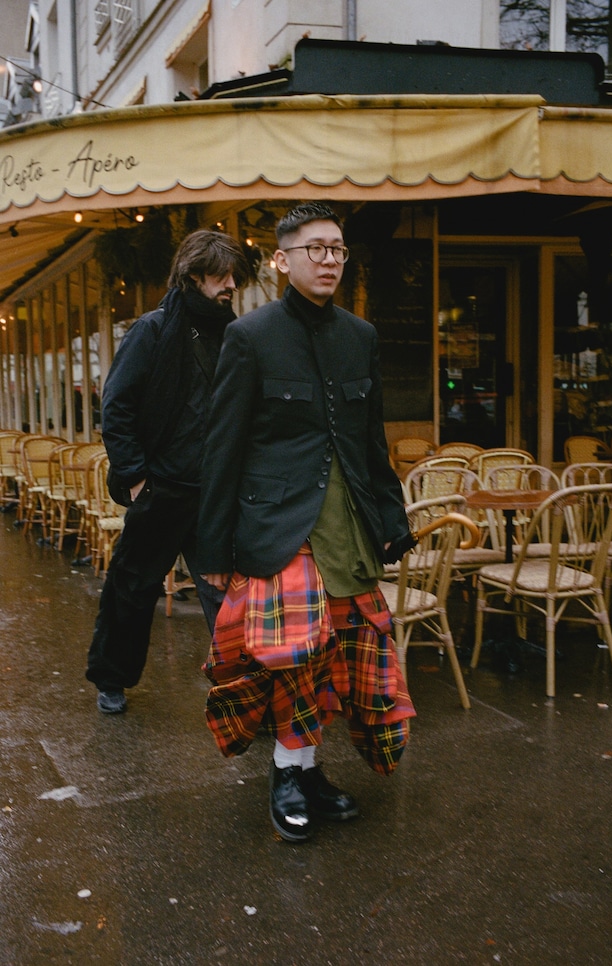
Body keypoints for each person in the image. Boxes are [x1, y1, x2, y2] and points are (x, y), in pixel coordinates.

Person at [197, 203, 416, 842]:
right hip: (279, 531)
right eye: (314, 248)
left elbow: (369, 442)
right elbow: (223, 447)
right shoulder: (250, 335)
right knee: (294, 659)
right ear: (283, 259)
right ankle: (287, 775)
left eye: (337, 249)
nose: (327, 260)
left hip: (346, 527)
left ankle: (308, 769)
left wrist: (392, 517)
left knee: (336, 658)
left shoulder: (361, 336)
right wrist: (213, 544)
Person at [85, 229, 250, 714]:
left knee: (224, 597)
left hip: (213, 493)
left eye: (234, 277)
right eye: (222, 276)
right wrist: (137, 478)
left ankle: (240, 691)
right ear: (194, 275)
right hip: (160, 488)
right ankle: (111, 680)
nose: (231, 285)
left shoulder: (231, 332)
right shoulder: (153, 329)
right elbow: (115, 406)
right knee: (132, 590)